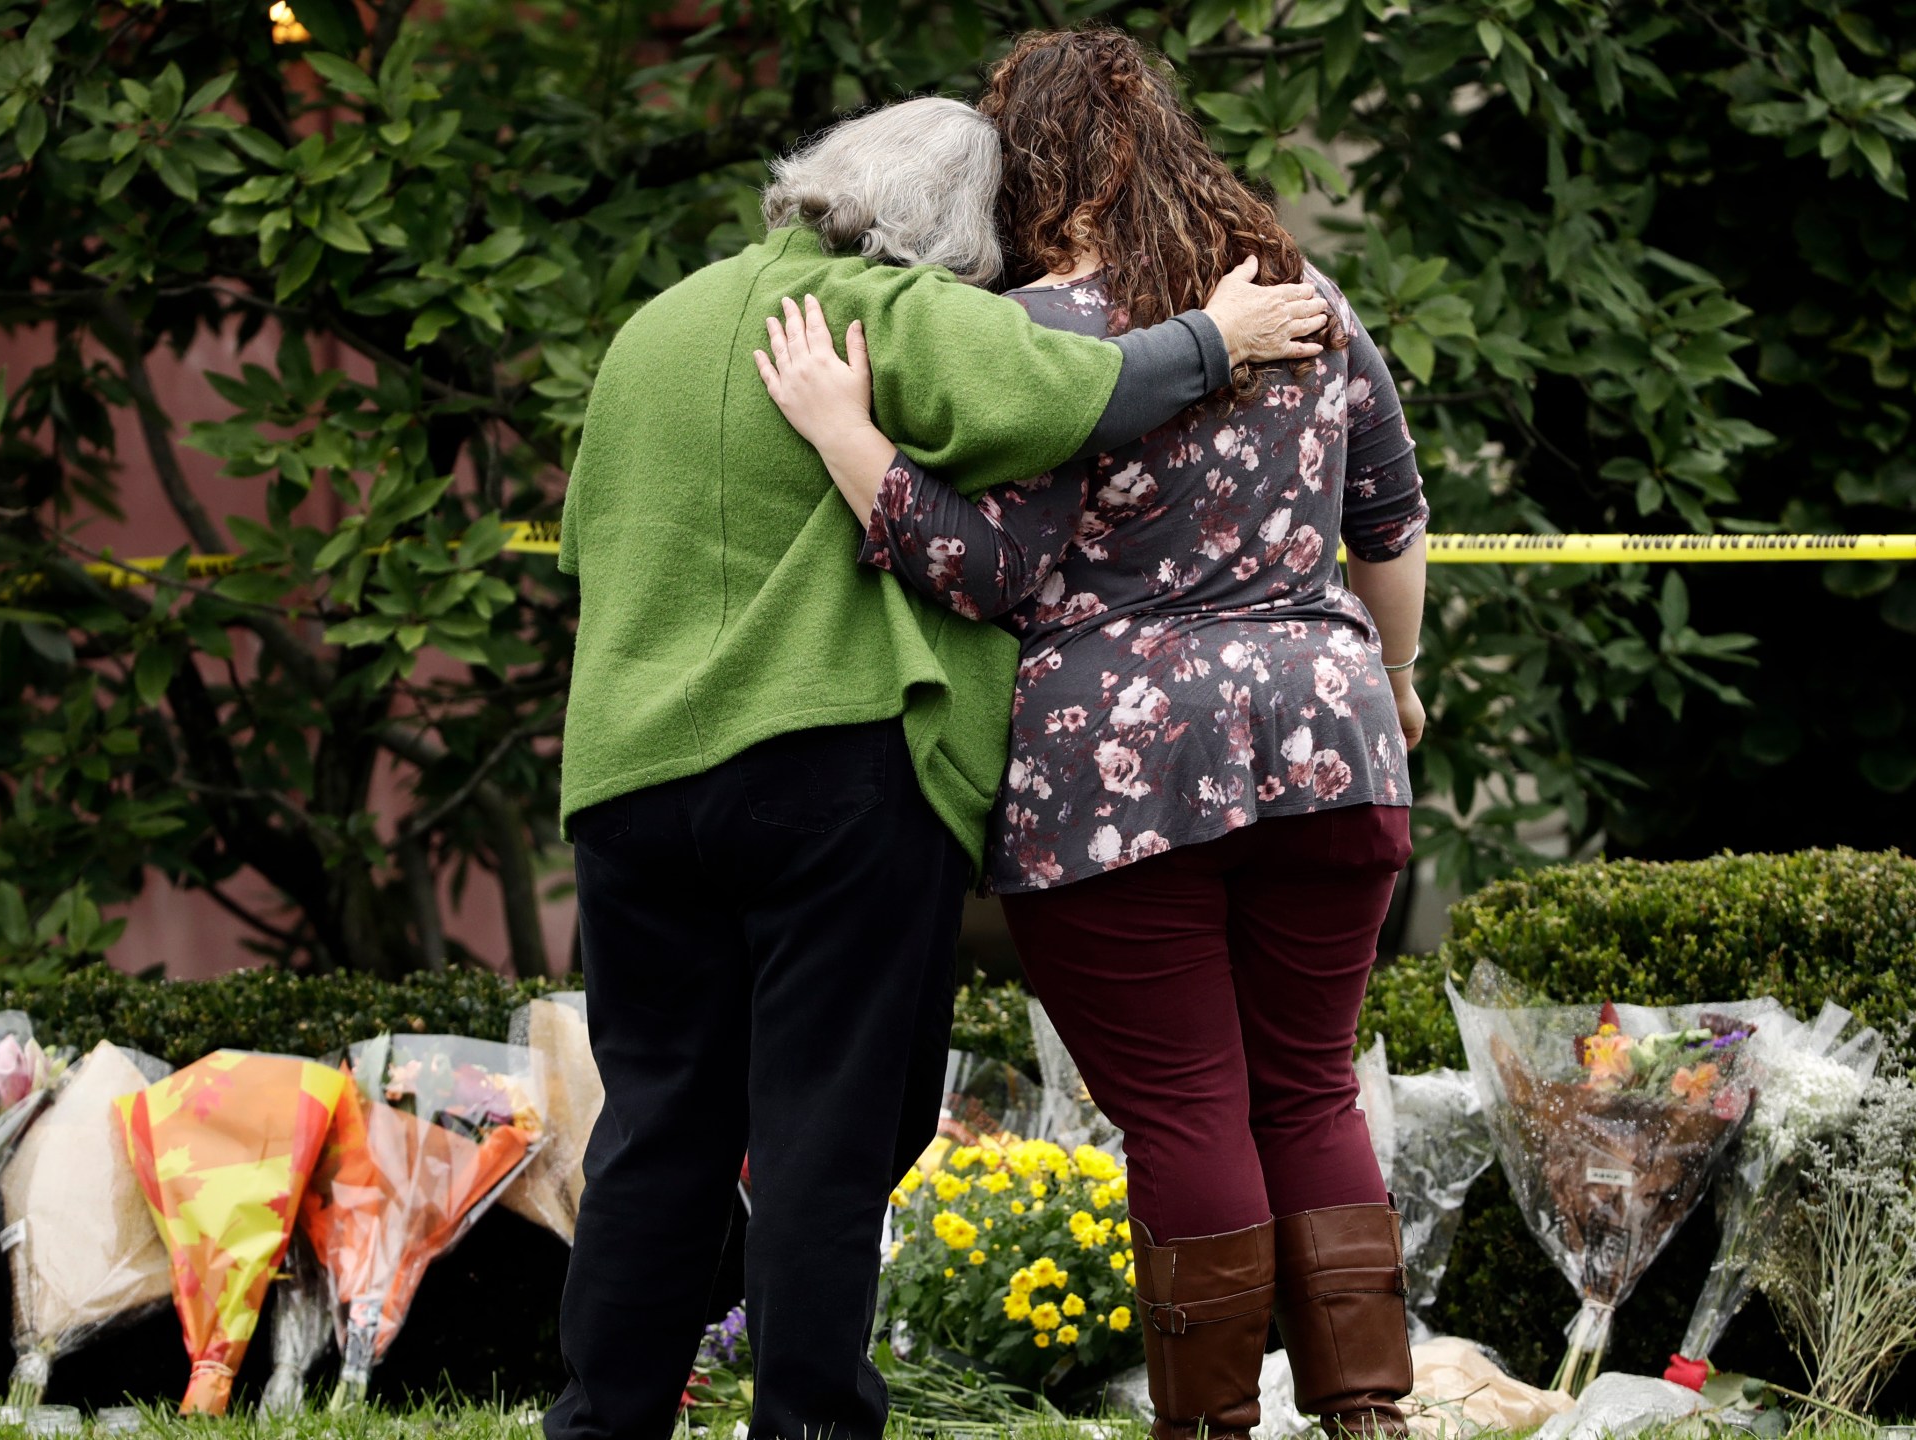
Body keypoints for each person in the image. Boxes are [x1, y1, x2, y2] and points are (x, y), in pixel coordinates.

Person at [547, 94, 1331, 1440]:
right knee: (827, 1129)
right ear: (952, 234)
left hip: (633, 781)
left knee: (659, 1121)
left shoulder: (653, 330)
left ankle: (603, 1423)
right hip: (828, 772)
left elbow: (581, 548)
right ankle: (810, 1422)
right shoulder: (896, 312)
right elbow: (1076, 392)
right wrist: (1224, 336)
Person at [752, 30, 1431, 1440]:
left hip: (1121, 779)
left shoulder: (1044, 337)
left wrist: (846, 440)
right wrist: (1401, 682)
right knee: (1307, 1083)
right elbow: (1393, 518)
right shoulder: (1307, 299)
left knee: (1186, 1104)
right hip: (1332, 734)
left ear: (1032, 175)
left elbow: (979, 564)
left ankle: (1213, 1426)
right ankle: (1368, 1412)